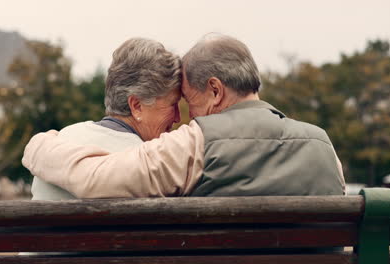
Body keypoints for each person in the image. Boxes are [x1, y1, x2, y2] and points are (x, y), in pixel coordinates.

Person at [23, 33, 345, 199]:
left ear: (215, 91)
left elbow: (94, 178)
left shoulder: (197, 143)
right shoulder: (322, 144)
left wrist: (39, 145)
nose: (186, 119)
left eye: (190, 102)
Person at [30, 37, 182, 200]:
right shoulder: (153, 169)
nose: (178, 117)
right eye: (173, 104)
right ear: (137, 106)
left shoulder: (57, 143)